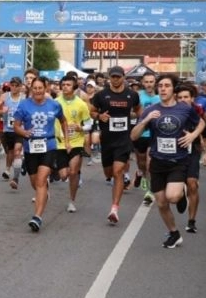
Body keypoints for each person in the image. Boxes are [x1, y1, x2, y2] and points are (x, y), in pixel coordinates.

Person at [131, 74, 203, 248]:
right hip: (157, 162)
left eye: (166, 86)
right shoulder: (151, 110)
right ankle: (174, 233)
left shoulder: (184, 109)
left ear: (173, 89)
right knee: (161, 203)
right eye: (160, 86)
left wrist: (193, 135)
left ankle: (181, 194)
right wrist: (146, 120)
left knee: (171, 197)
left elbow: (201, 122)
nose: (162, 88)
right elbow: (133, 135)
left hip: (178, 161)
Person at [14, 78, 70, 232]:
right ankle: (44, 192)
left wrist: (66, 141)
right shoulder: (24, 105)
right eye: (35, 88)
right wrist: (24, 132)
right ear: (31, 89)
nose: (38, 91)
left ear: (45, 88)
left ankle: (37, 217)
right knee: (35, 182)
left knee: (41, 180)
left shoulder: (54, 105)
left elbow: (63, 121)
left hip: (49, 145)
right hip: (31, 147)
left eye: (40, 88)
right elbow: (16, 126)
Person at [89, 66, 141, 225]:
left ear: (124, 77)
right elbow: (91, 111)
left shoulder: (131, 95)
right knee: (109, 173)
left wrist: (139, 122)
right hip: (107, 140)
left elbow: (138, 109)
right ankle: (115, 181)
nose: (116, 79)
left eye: (118, 77)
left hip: (124, 139)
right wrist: (99, 116)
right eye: (113, 77)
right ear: (109, 78)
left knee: (118, 171)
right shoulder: (101, 95)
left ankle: (114, 209)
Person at [53, 75, 91, 213]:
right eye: (63, 85)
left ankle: (72, 201)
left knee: (73, 172)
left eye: (68, 85)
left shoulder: (81, 104)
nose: (65, 87)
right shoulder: (55, 102)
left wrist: (81, 128)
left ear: (74, 87)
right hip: (60, 142)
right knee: (64, 175)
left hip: (76, 142)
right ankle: (58, 172)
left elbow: (89, 123)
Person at [176, 83, 206, 233]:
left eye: (186, 97)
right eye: (180, 97)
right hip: (175, 151)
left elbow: (202, 127)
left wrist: (195, 137)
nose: (183, 100)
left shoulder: (197, 110)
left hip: (192, 150)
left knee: (192, 183)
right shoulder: (171, 109)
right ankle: (181, 195)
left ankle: (191, 221)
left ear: (192, 98)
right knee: (175, 190)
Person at [133, 72, 160, 205]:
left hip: (155, 135)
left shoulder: (161, 97)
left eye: (151, 81)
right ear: (143, 83)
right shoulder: (138, 96)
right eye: (147, 82)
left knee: (150, 164)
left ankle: (149, 191)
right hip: (141, 133)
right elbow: (131, 114)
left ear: (155, 82)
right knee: (142, 163)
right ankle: (140, 173)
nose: (149, 84)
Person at [0, 77, 25, 186]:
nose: (14, 87)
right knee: (10, 152)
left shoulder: (24, 98)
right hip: (7, 129)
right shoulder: (4, 97)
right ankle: (7, 169)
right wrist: (1, 111)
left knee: (17, 151)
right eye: (12, 85)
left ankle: (15, 178)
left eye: (16, 85)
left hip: (20, 129)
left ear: (20, 86)